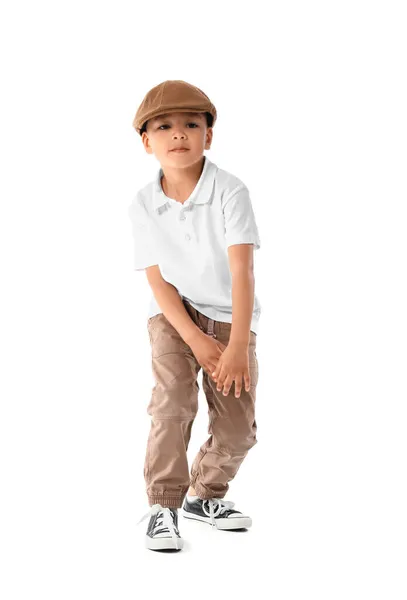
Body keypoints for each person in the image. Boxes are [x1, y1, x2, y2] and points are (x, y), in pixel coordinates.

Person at [129, 80, 261, 551]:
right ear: (147, 141)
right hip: (172, 315)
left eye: (191, 124)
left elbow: (242, 271)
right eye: (164, 126)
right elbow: (158, 282)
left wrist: (237, 345)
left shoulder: (230, 190)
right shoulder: (144, 203)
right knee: (173, 404)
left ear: (209, 134)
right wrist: (196, 340)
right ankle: (163, 506)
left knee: (238, 429)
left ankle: (204, 495)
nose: (179, 133)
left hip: (231, 320)